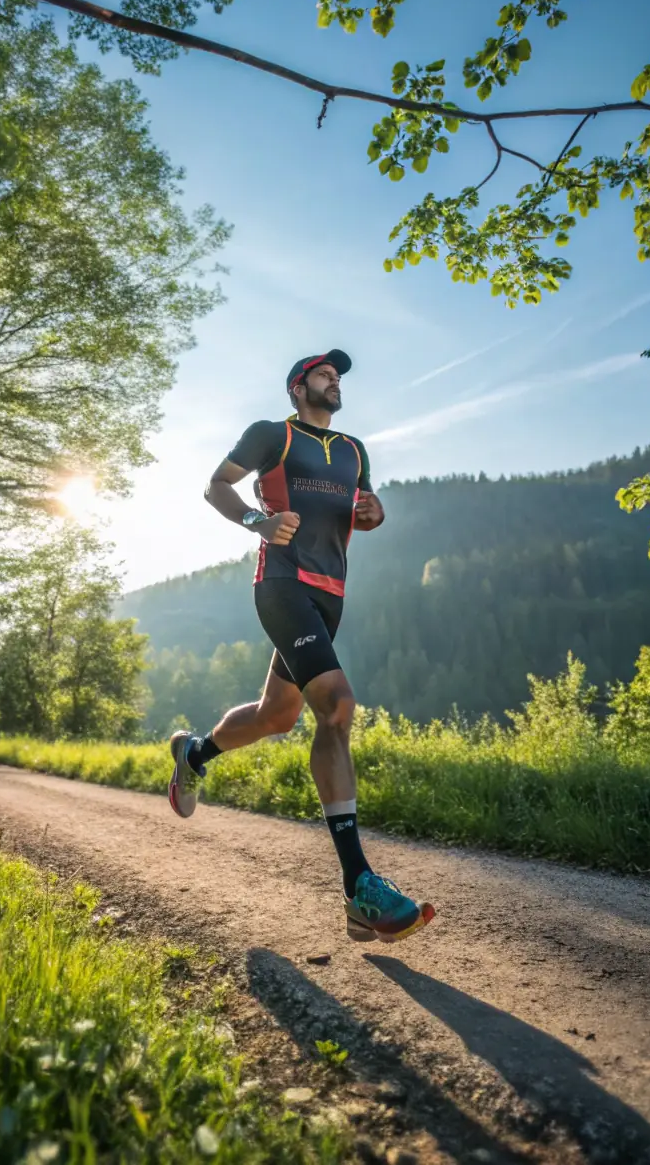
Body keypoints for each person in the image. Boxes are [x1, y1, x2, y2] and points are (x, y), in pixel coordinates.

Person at [167, 350, 435, 943]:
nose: (334, 380)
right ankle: (359, 886)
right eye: (323, 374)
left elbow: (359, 514)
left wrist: (375, 512)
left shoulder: (355, 451)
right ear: (298, 387)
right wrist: (256, 523)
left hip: (331, 594)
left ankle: (194, 753)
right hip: (282, 586)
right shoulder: (273, 435)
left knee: (277, 716)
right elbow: (217, 486)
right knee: (336, 707)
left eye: (338, 375)